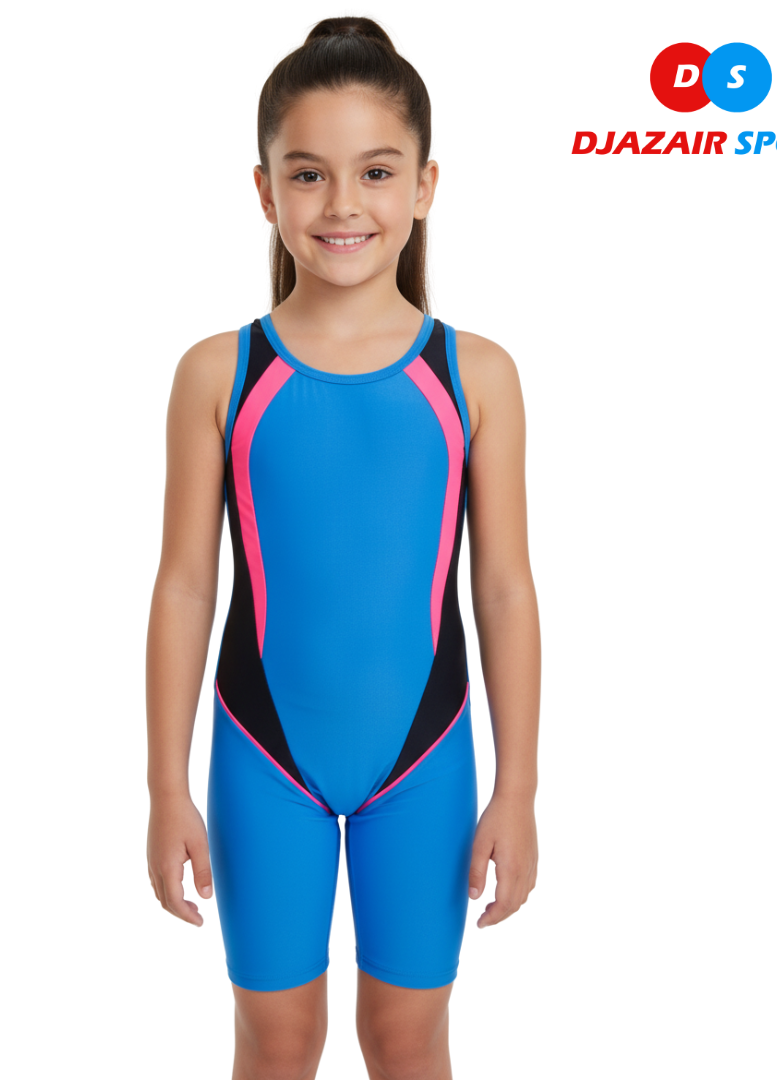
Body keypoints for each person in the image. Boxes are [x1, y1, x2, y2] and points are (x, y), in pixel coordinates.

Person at [146, 16, 540, 1080]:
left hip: (425, 756)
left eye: (375, 171)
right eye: (308, 174)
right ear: (265, 192)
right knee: (276, 1044)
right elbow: (184, 587)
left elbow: (504, 591)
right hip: (261, 752)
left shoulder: (476, 375)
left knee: (407, 1041)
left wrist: (516, 788)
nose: (342, 205)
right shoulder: (219, 373)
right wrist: (167, 786)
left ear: (424, 186)